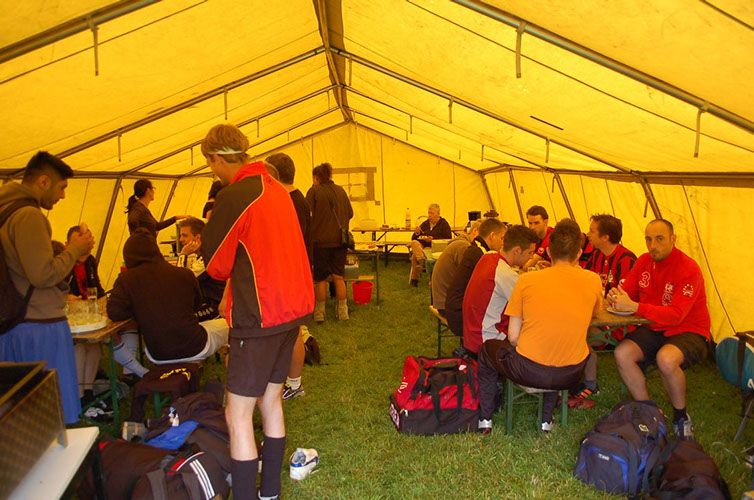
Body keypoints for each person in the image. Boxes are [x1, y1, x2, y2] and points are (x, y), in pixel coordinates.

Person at [200, 124, 313, 500]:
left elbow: (216, 265)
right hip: (289, 311)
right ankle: (270, 492)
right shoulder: (277, 188)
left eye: (210, 164)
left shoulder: (236, 195)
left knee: (237, 414)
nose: (213, 171)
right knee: (271, 401)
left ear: (216, 158)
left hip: (259, 315)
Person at [477, 219, 602, 434]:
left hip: (529, 371)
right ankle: (545, 421)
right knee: (555, 347)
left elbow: (513, 337)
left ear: (549, 252)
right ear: (579, 253)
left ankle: (485, 420)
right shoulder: (593, 280)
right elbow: (595, 312)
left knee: (488, 350)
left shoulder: (527, 281)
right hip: (572, 373)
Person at [0, 151, 95, 424]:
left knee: (21, 413)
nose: (62, 195)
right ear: (43, 182)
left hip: (13, 321)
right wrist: (74, 249)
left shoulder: (5, 211)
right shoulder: (29, 215)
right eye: (61, 187)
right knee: (50, 411)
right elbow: (42, 275)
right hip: (38, 324)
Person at [611, 219, 711, 440]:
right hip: (655, 327)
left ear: (673, 239)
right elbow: (627, 291)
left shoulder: (688, 268)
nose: (652, 245)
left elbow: (676, 315)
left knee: (666, 359)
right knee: (622, 353)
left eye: (659, 239)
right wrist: (616, 296)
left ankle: (681, 417)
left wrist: (635, 307)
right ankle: (648, 411)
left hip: (689, 329)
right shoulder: (644, 261)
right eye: (648, 239)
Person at [107, 228, 229, 366]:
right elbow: (195, 305)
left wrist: (138, 309)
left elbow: (114, 313)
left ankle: (133, 371)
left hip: (157, 352)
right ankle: (234, 368)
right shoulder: (184, 274)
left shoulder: (125, 280)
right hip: (195, 345)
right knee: (230, 326)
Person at [570, 214, 638, 404]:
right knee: (571, 329)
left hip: (620, 324)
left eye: (592, 231)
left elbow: (623, 299)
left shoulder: (626, 260)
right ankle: (573, 378)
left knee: (578, 335)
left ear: (605, 237)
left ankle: (589, 384)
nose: (588, 234)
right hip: (599, 315)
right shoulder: (597, 255)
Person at [266, 152, 311, 400]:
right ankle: (292, 383)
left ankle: (293, 385)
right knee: (292, 331)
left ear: (273, 174)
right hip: (295, 272)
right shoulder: (298, 199)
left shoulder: (286, 200)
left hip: (288, 273)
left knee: (291, 332)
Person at [462, 225, 538, 355]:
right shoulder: (506, 275)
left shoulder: (489, 256)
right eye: (530, 253)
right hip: (486, 341)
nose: (531, 257)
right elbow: (531, 307)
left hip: (471, 334)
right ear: (517, 250)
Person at [64, 225, 108, 413]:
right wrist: (66, 297)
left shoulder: (90, 262)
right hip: (68, 320)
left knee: (94, 345)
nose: (83, 250)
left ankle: (88, 391)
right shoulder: (62, 265)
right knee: (80, 347)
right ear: (67, 245)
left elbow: (96, 288)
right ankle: (80, 396)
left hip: (86, 316)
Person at [444, 218, 507, 341]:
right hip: (459, 315)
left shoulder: (476, 249)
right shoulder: (480, 255)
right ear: (492, 236)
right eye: (501, 238)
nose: (502, 243)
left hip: (455, 308)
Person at [306, 162, 353, 322]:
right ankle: (343, 312)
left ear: (316, 177)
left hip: (320, 243)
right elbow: (350, 213)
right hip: (340, 242)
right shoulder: (341, 191)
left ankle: (319, 313)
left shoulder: (314, 191)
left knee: (320, 279)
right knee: (338, 277)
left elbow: (307, 214)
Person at [176, 217, 226, 321]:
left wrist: (183, 255)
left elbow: (180, 281)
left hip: (214, 307)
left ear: (197, 237)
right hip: (206, 303)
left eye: (184, 235)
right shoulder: (204, 254)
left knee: (179, 318)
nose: (181, 239)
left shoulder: (207, 258)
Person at [430, 220, 481, 315]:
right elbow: (468, 276)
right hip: (447, 305)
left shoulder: (460, 243)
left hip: (442, 301)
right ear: (475, 231)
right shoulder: (463, 246)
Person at [408, 203, 453, 287]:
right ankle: (422, 261)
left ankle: (414, 279)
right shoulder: (425, 224)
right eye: (429, 213)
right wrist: (417, 232)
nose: (430, 215)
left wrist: (433, 239)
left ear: (438, 214)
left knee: (414, 256)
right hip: (423, 246)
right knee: (414, 242)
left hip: (435, 247)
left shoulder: (443, 224)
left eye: (432, 213)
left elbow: (448, 238)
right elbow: (414, 238)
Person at [522, 205, 553, 271]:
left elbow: (526, 266)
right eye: (530, 223)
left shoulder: (552, 236)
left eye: (536, 223)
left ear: (545, 222)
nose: (532, 227)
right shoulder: (533, 237)